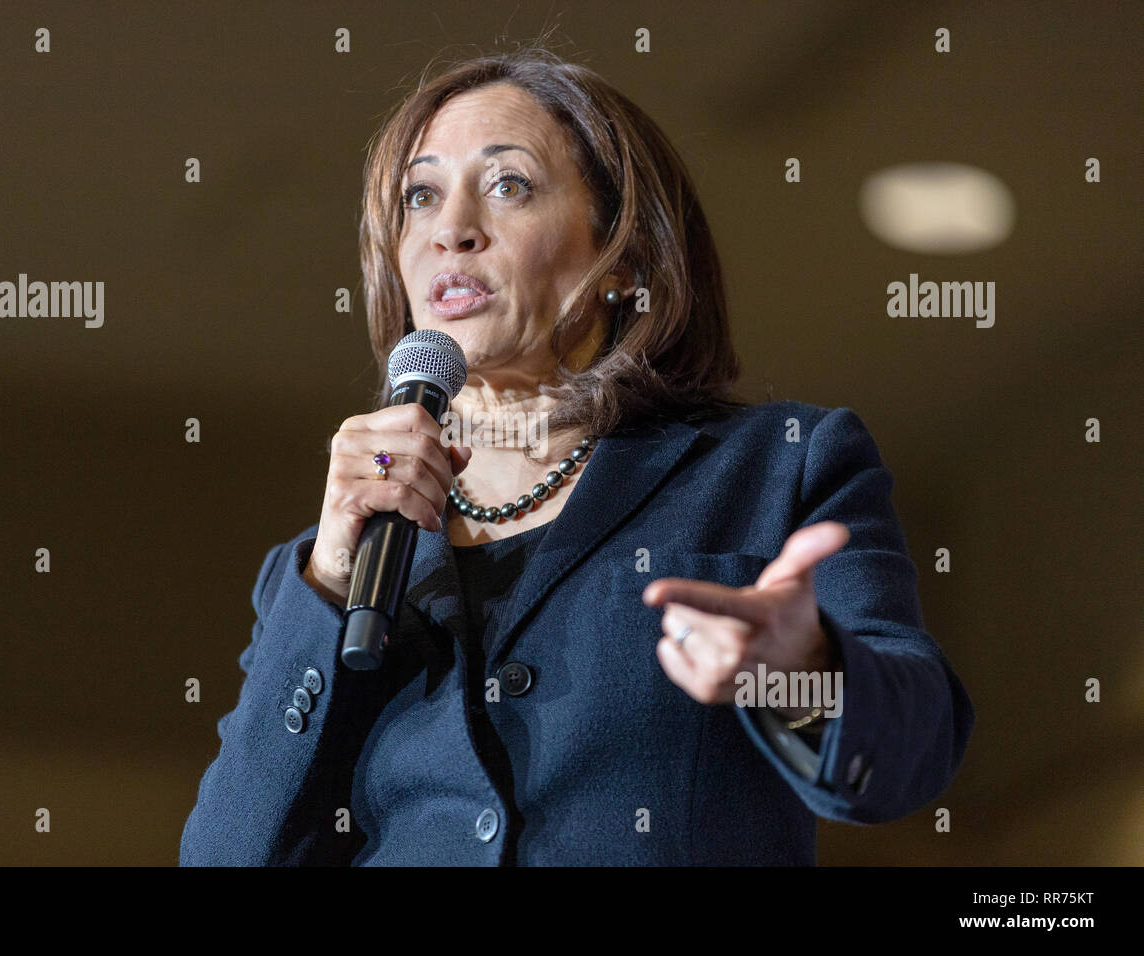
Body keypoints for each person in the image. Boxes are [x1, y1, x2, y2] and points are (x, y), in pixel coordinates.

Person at [180, 47, 974, 866]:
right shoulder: (317, 576)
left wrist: (799, 673)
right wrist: (331, 586)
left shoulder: (777, 468)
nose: (450, 230)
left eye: (507, 185)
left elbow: (911, 758)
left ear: (622, 256)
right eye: (420, 196)